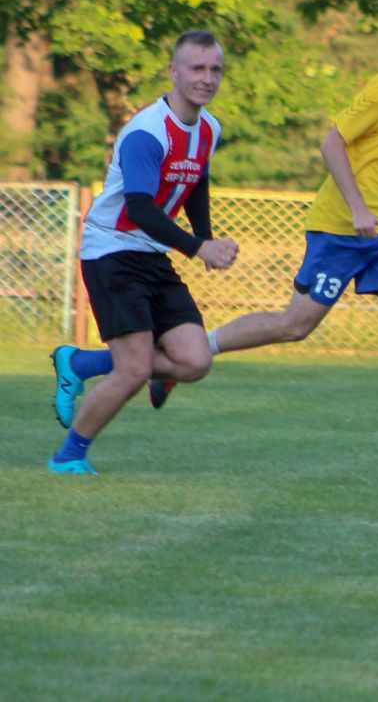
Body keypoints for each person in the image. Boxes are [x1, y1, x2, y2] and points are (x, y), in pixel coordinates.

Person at [202, 0, 378, 469]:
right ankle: (196, 350)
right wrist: (357, 207)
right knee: (295, 326)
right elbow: (331, 143)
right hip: (340, 229)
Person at [48, 30, 240, 474]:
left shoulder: (209, 128)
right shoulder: (147, 132)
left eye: (215, 69)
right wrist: (198, 248)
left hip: (152, 252)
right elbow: (139, 208)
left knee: (195, 360)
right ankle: (68, 457)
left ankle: (80, 362)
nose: (207, 78)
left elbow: (196, 181)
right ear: (173, 71)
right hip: (112, 251)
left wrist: (206, 235)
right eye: (197, 68)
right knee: (133, 370)